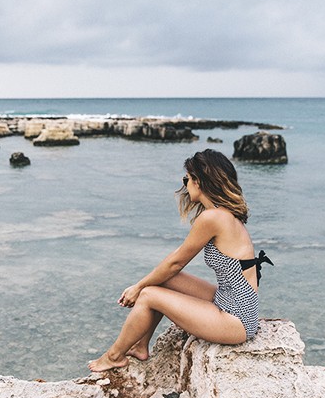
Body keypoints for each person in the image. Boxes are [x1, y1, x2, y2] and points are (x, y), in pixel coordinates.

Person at [88, 149, 272, 372]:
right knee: (163, 280)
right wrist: (144, 282)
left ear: (199, 181)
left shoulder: (213, 218)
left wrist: (138, 288)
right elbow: (172, 263)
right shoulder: (224, 214)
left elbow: (177, 262)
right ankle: (140, 346)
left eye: (187, 179)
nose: (185, 185)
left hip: (237, 320)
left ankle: (114, 356)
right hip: (232, 302)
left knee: (148, 295)